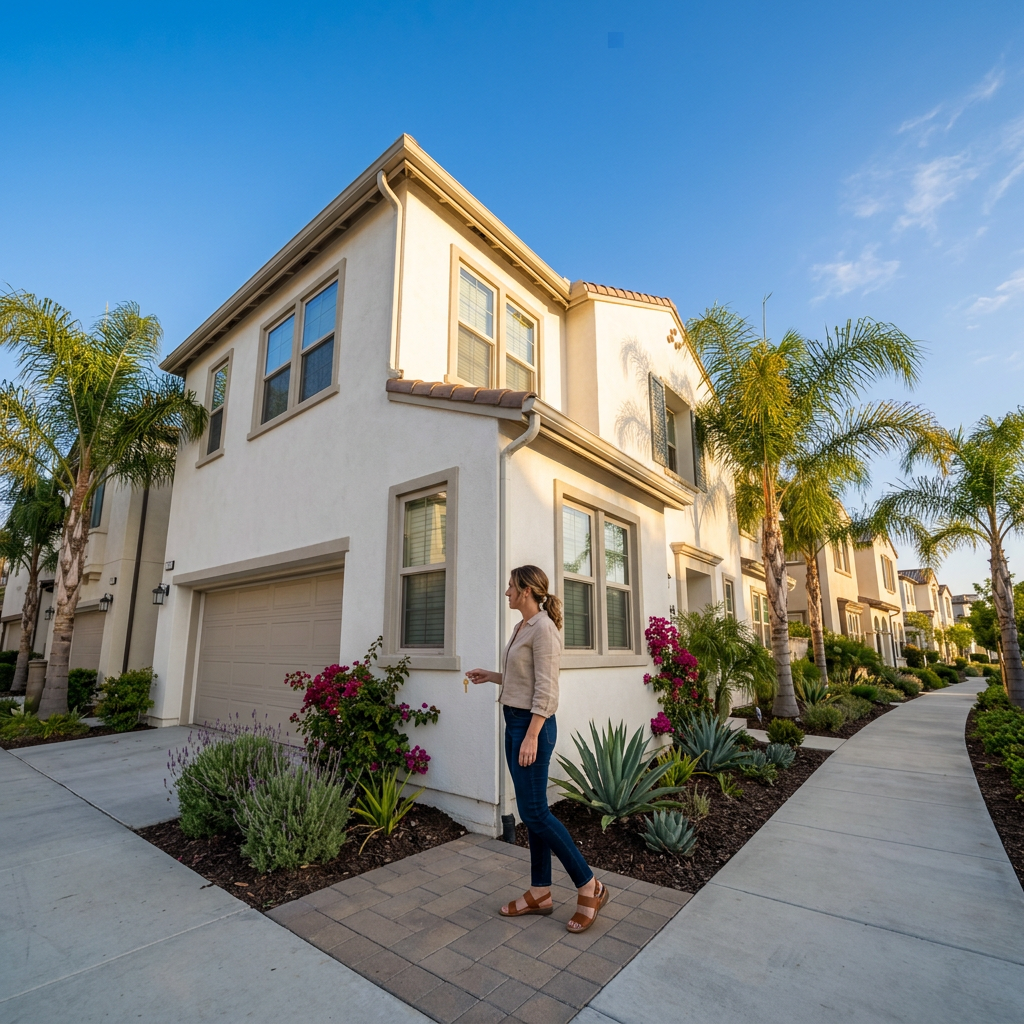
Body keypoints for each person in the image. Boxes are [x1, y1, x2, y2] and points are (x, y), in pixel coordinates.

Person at [466, 564, 609, 932]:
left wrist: (531, 736)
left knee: (536, 814)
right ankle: (540, 892)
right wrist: (492, 676)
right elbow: (522, 676)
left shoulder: (544, 629)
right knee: (532, 813)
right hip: (514, 722)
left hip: (533, 727)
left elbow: (547, 690)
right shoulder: (522, 627)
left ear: (527, 590)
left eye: (511, 586)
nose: (506, 592)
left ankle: (590, 886)